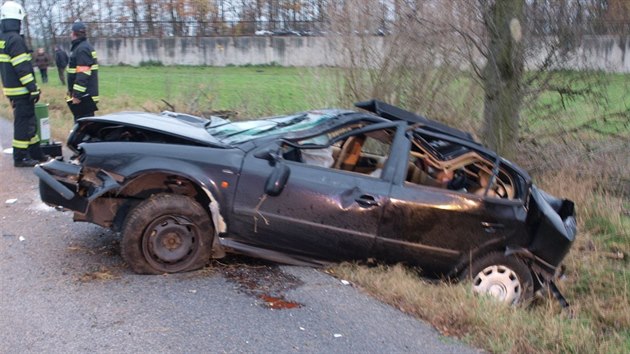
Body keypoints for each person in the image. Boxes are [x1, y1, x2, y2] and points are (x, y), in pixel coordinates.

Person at [0, 1, 47, 167]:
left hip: (12, 89)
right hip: (21, 90)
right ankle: (20, 157)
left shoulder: (4, 39)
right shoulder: (15, 40)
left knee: (29, 120)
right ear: (17, 20)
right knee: (23, 122)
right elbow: (23, 68)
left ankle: (35, 152)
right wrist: (33, 88)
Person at [67, 21, 98, 120]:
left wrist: (77, 95)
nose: (70, 34)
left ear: (74, 33)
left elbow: (83, 74)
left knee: (83, 126)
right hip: (83, 95)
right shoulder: (82, 47)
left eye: (71, 32)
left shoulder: (82, 49)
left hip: (84, 97)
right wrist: (71, 91)